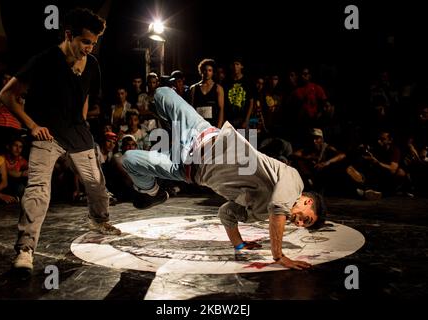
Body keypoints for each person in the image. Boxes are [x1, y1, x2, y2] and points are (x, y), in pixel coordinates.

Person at [122, 87, 326, 270]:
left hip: (189, 169)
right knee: (162, 93)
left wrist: (239, 243)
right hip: (202, 133)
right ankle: (171, 133)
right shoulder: (294, 181)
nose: (298, 223)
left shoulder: (260, 213)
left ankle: (152, 193)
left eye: (302, 225)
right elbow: (278, 208)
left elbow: (226, 212)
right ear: (307, 201)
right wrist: (279, 256)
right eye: (305, 219)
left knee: (129, 159)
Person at [0, 8, 121, 273]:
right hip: (48, 134)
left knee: (97, 185)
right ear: (69, 35)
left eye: (94, 43)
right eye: (86, 42)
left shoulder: (92, 64)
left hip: (77, 132)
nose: (90, 48)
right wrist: (31, 125)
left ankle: (99, 220)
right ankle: (25, 249)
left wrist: (82, 120)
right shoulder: (44, 60)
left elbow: (87, 94)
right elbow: (6, 95)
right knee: (39, 191)